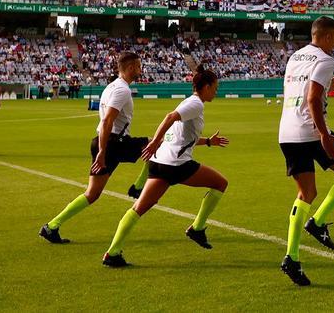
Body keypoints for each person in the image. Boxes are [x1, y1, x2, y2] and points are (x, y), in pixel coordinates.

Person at [101, 66, 230, 267]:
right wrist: (153, 143)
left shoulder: (190, 104)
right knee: (221, 183)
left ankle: (113, 252)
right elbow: (170, 117)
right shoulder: (196, 104)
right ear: (205, 87)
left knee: (138, 208)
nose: (216, 91)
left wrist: (208, 142)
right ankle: (197, 228)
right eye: (215, 87)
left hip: (160, 163)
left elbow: (181, 138)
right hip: (176, 165)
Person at [278, 16, 334, 286]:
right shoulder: (325, 60)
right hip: (311, 132)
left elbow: (307, 91)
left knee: (306, 193)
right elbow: (312, 98)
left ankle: (291, 257)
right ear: (327, 37)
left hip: (286, 132)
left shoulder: (295, 57)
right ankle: (317, 222)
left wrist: (329, 86)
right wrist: (324, 135)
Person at [40, 52, 152, 245]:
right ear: (132, 67)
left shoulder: (112, 86)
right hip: (112, 143)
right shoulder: (122, 90)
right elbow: (108, 119)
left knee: (92, 194)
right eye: (139, 66)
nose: (141, 70)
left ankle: (51, 226)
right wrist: (102, 151)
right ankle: (138, 187)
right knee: (156, 144)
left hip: (105, 141)